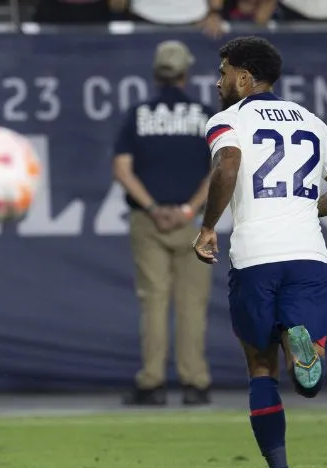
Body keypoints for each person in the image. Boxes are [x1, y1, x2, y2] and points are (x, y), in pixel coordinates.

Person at [193, 36, 327, 468]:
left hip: (255, 257)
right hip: (309, 255)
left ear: (244, 78)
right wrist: (307, 210)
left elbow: (228, 166)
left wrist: (208, 226)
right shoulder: (311, 120)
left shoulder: (227, 120)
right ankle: (304, 345)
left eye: (224, 71)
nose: (218, 80)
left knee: (259, 369)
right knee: (305, 370)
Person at [113, 40, 214, 407]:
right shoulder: (205, 115)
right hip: (195, 224)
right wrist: (188, 210)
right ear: (186, 74)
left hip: (149, 221)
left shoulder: (139, 114)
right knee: (192, 304)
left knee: (153, 303)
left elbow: (122, 169)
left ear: (156, 74)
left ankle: (152, 383)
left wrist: (154, 207)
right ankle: (195, 383)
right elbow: (219, 171)